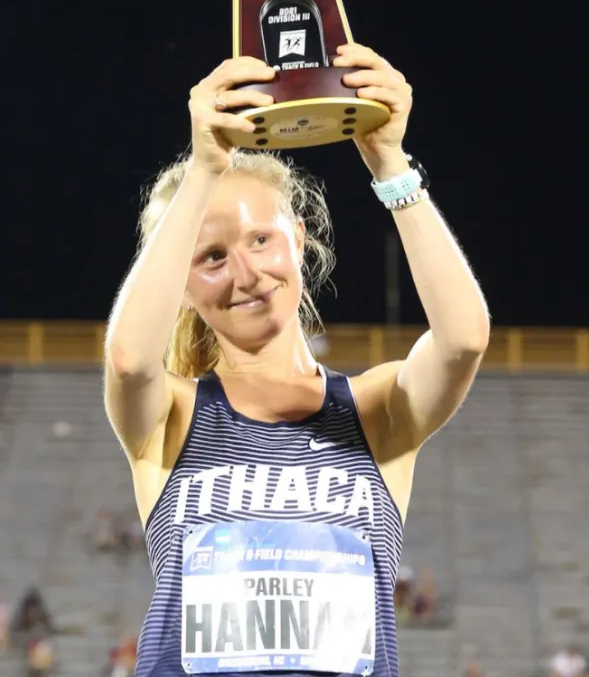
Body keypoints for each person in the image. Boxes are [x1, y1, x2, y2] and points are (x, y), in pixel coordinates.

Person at [103, 44, 490, 676]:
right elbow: (126, 361)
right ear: (182, 282)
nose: (247, 273)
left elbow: (465, 339)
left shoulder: (374, 409)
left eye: (261, 239)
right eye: (211, 257)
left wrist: (389, 159)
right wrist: (203, 170)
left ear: (298, 239)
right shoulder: (170, 418)